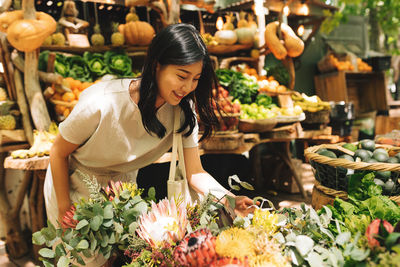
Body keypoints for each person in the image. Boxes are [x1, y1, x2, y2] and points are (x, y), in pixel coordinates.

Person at [44, 23, 255, 266]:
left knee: (112, 257)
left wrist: (229, 199)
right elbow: (58, 152)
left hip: (121, 191)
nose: (187, 88)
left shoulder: (183, 113)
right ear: (157, 65)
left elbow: (196, 172)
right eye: (181, 76)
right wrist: (63, 208)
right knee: (78, 260)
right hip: (71, 182)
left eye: (195, 79)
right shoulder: (101, 102)